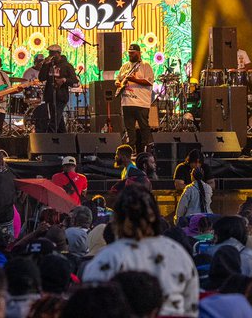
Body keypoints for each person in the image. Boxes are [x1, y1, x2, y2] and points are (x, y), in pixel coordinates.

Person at [83, 184, 199, 317]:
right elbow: (191, 308)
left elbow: (91, 308)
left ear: (117, 219)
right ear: (156, 216)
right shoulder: (178, 253)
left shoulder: (108, 257)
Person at [117, 43, 155, 156]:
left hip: (141, 103)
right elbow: (118, 79)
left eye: (132, 53)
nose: (130, 55)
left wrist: (134, 79)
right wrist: (119, 84)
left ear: (139, 53)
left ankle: (146, 151)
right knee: (129, 129)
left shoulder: (145, 66)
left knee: (144, 127)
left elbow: (149, 82)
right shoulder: (125, 66)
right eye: (129, 53)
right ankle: (130, 152)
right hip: (127, 102)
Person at [38, 44, 79, 133]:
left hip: (61, 96)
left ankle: (49, 137)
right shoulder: (49, 66)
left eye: (53, 53)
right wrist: (44, 65)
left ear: (58, 53)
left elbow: (74, 80)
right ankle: (64, 137)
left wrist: (64, 80)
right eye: (49, 53)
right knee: (58, 120)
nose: (51, 56)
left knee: (55, 119)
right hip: (50, 95)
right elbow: (41, 78)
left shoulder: (67, 66)